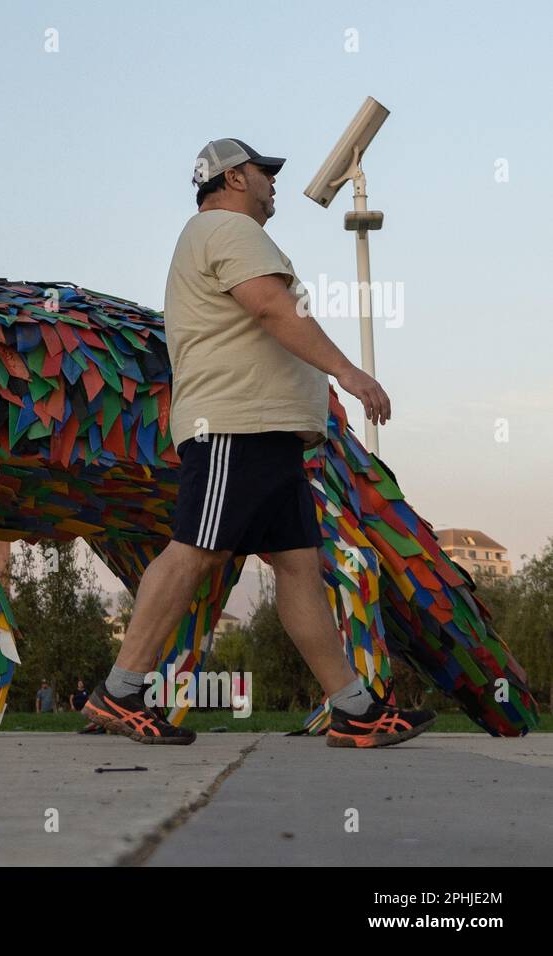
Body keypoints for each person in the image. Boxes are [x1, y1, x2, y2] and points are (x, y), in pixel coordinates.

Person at [84, 139, 435, 748]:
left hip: (266, 434)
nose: (273, 184)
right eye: (264, 173)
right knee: (196, 549)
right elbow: (273, 308)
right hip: (232, 425)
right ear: (234, 177)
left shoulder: (222, 234)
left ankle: (352, 708)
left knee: (299, 566)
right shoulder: (226, 228)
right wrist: (348, 373)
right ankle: (119, 691)